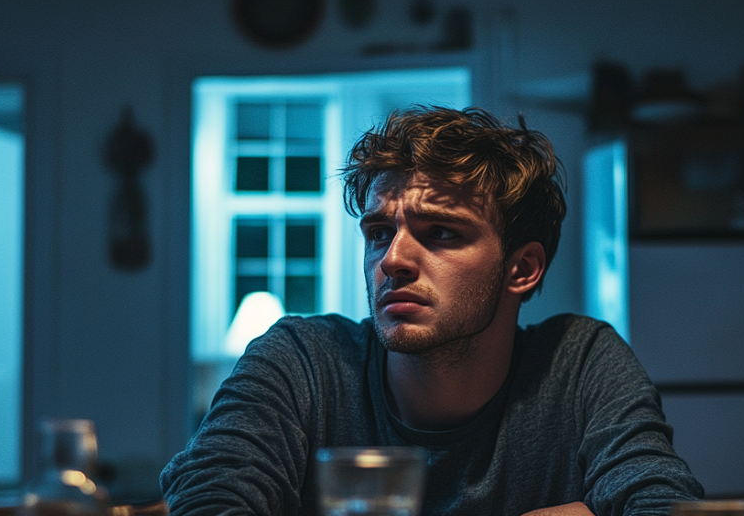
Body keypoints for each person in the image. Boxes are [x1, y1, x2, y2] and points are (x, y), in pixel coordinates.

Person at [160, 106, 704, 515]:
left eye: (441, 233)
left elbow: (663, 504)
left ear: (522, 268)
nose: (392, 259)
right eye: (378, 233)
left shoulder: (579, 364)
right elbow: (207, 500)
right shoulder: (302, 361)